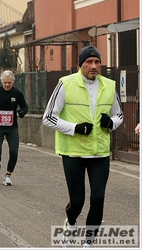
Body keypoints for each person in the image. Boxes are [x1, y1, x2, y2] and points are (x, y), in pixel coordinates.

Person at [42, 45, 123, 247]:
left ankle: (89, 242)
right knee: (77, 201)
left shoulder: (109, 86)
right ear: (81, 64)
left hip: (100, 152)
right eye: (89, 62)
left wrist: (111, 123)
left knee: (98, 197)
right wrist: (75, 128)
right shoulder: (65, 84)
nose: (93, 66)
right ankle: (70, 224)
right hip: (73, 153)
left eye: (97, 62)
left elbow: (118, 115)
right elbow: (48, 118)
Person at [0, 70, 28, 186]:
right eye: (5, 83)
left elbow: (25, 106)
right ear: (1, 82)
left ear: (13, 81)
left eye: (9, 82)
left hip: (12, 127)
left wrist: (22, 112)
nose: (7, 85)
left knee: (14, 152)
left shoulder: (17, 93)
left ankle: (8, 175)